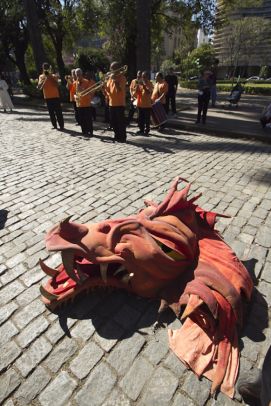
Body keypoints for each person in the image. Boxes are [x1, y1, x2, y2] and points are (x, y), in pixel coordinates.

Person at [104, 61, 127, 143]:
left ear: (117, 68)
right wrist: (103, 85)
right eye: (111, 68)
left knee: (120, 121)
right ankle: (116, 135)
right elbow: (108, 91)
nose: (111, 70)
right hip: (111, 103)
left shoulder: (122, 78)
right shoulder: (110, 78)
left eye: (113, 68)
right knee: (113, 121)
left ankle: (122, 137)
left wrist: (115, 80)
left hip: (120, 103)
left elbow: (120, 90)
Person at [38, 63, 64, 130]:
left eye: (47, 67)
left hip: (55, 96)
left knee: (58, 112)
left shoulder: (53, 76)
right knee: (51, 113)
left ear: (49, 68)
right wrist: (45, 78)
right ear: (43, 69)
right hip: (47, 97)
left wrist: (50, 77)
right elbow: (39, 86)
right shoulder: (41, 76)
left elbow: (56, 85)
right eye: (44, 68)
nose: (46, 69)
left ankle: (61, 126)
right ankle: (54, 125)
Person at [74, 68, 95, 136]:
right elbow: (73, 92)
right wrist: (75, 96)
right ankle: (84, 131)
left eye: (79, 74)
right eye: (77, 75)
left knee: (88, 119)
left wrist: (82, 89)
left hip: (86, 103)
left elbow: (90, 92)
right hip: (79, 104)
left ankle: (90, 131)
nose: (78, 76)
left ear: (81, 74)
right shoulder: (75, 82)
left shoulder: (86, 81)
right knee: (82, 119)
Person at [133, 71, 153, 135]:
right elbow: (136, 94)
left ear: (147, 77)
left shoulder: (150, 83)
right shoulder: (140, 84)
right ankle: (141, 130)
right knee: (140, 118)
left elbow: (149, 92)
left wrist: (144, 86)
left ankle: (147, 130)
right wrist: (136, 88)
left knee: (147, 119)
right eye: (142, 77)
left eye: (144, 77)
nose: (143, 78)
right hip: (140, 104)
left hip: (147, 105)